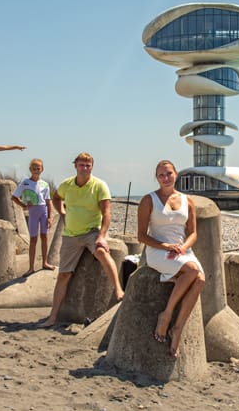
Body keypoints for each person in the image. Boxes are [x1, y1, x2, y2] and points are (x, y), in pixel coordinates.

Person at [37, 152, 125, 328]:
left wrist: (101, 236)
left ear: (92, 167)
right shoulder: (67, 184)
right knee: (63, 275)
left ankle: (118, 289)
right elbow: (56, 197)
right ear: (75, 166)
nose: (84, 168)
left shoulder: (99, 185)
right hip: (70, 235)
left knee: (102, 251)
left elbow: (107, 212)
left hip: (91, 231)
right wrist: (61, 212)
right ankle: (53, 317)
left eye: (88, 165)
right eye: (81, 165)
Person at [137, 160, 205, 358]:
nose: (165, 178)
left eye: (169, 173)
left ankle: (177, 328)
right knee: (193, 271)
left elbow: (193, 233)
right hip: (159, 250)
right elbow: (141, 236)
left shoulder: (187, 200)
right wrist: (165, 246)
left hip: (182, 251)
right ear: (156, 178)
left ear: (176, 174)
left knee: (200, 279)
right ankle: (166, 316)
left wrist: (183, 247)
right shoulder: (148, 200)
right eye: (161, 175)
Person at [12, 158, 56, 276]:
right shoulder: (25, 182)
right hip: (33, 212)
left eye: (38, 168)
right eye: (34, 168)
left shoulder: (45, 184)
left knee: (44, 237)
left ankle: (45, 262)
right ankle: (31, 267)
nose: (36, 170)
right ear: (30, 169)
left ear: (42, 169)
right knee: (33, 239)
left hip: (44, 211)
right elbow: (14, 197)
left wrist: (50, 217)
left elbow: (48, 201)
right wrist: (23, 205)